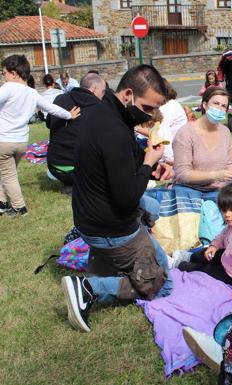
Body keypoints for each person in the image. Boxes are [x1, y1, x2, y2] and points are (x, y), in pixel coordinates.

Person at [60, 64, 172, 332]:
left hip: (88, 219)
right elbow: (126, 199)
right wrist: (147, 164)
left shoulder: (102, 112)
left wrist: (149, 164)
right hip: (111, 227)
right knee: (163, 282)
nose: (151, 116)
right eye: (147, 108)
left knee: (151, 205)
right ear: (128, 94)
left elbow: (118, 167)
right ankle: (89, 288)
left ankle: (103, 269)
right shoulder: (115, 130)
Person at [0, 55, 79, 217]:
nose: (3, 76)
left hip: (4, 139)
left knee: (9, 175)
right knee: (7, 173)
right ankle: (1, 203)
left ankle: (19, 208)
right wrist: (69, 115)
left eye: (4, 73)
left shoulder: (8, 88)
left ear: (14, 74)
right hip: (21, 142)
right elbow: (52, 108)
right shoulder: (32, 93)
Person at [171, 183, 232, 301]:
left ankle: (177, 264)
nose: (227, 215)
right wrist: (214, 246)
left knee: (203, 270)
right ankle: (189, 257)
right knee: (205, 253)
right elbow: (223, 235)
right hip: (230, 258)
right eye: (224, 210)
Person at [47, 72, 106, 193]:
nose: (103, 96)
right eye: (103, 92)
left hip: (54, 166)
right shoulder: (98, 108)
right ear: (94, 89)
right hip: (79, 169)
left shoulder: (59, 99)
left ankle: (70, 183)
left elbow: (48, 123)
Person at [173, 87, 232, 200]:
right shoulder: (185, 133)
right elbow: (182, 174)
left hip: (218, 190)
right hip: (189, 190)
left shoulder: (225, 132)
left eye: (223, 106)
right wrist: (216, 175)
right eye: (216, 103)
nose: (219, 108)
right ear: (205, 105)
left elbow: (230, 164)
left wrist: (231, 174)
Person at [157, 79, 188, 165]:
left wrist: (169, 160)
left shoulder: (167, 107)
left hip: (173, 156)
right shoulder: (170, 104)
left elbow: (162, 133)